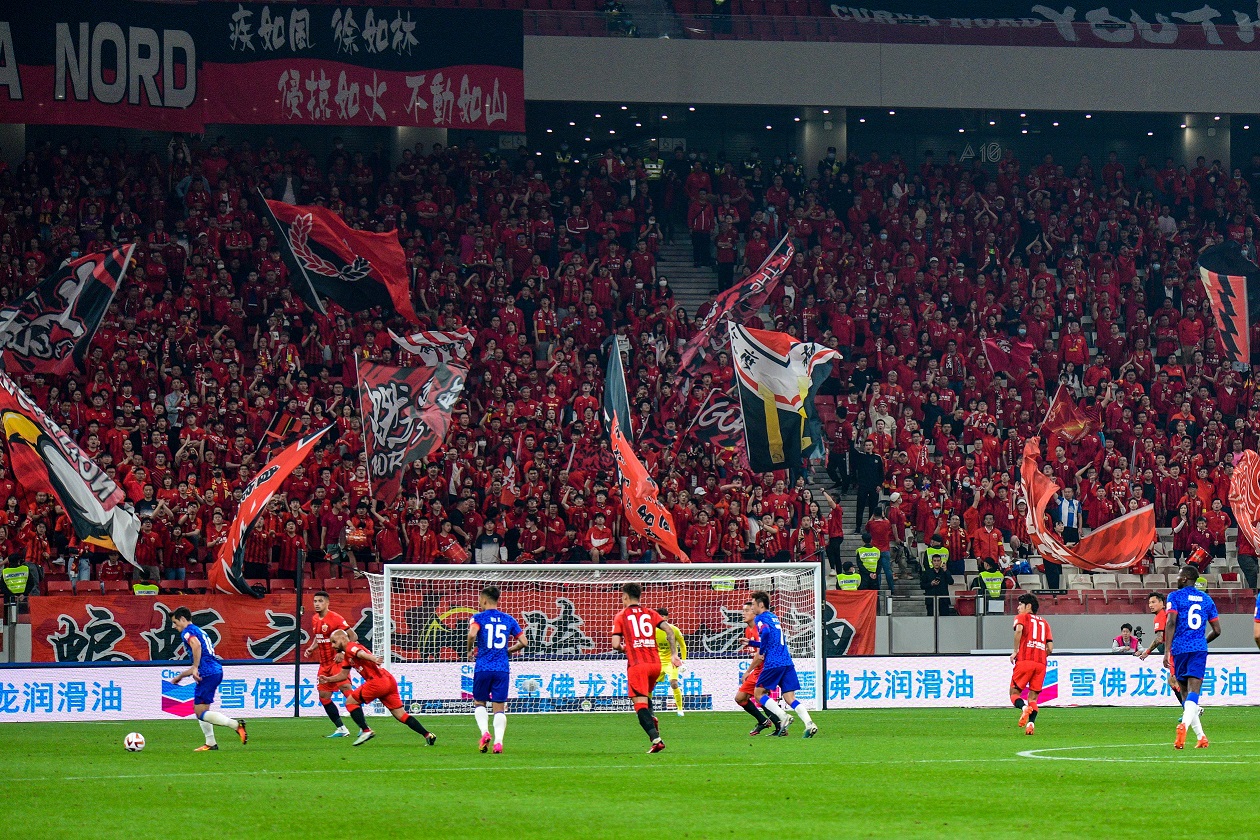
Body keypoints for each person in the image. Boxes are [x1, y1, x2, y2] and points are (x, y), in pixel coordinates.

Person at [326, 629, 437, 747]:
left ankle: (366, 730)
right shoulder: (348, 655)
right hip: (388, 679)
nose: (333, 646)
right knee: (401, 715)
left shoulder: (350, 647)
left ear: (343, 638)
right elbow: (343, 675)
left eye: (334, 642)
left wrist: (373, 658)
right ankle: (428, 735)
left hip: (377, 682)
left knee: (350, 702)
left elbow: (360, 653)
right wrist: (328, 679)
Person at [610, 582, 680, 753]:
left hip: (638, 665)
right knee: (645, 696)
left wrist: (624, 648)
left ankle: (656, 740)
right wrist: (673, 654)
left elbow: (615, 644)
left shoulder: (621, 615)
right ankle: (652, 718)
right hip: (655, 665)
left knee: (638, 705)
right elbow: (670, 631)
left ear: (625, 597)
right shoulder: (651, 613)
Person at [170, 606, 248, 751]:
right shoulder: (199, 630)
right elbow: (203, 655)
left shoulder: (187, 632)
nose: (174, 626)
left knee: (199, 712)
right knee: (203, 710)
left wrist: (194, 667)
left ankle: (236, 725)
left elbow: (196, 645)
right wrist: (181, 676)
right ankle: (211, 743)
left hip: (207, 673)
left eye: (175, 622)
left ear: (182, 619)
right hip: (215, 670)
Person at [1165, 564, 1222, 749]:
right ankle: (1193, 732)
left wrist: (1167, 650)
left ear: (1184, 579)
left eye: (1179, 576)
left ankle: (1196, 734)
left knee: (1184, 693)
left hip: (1179, 649)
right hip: (1198, 649)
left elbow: (1171, 622)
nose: (1177, 579)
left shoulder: (1174, 596)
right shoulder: (1206, 599)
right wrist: (1202, 641)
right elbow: (1217, 630)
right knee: (1194, 693)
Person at [467, 585, 527, 754]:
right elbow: (524, 641)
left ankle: (485, 733)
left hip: (483, 667)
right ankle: (499, 743)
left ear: (484, 600)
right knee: (499, 707)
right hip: (502, 668)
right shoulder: (509, 619)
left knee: (479, 702)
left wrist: (469, 649)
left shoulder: (478, 617)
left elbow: (472, 634)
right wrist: (508, 651)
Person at [750, 590, 818, 738]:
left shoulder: (760, 618)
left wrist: (760, 651)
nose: (752, 608)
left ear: (761, 605)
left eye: (753, 604)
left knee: (758, 693)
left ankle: (783, 716)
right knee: (790, 698)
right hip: (787, 661)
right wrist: (750, 642)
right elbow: (771, 639)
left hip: (773, 662)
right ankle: (809, 723)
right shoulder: (774, 617)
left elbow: (766, 633)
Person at [303, 590, 355, 737]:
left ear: (327, 603)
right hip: (324, 664)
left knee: (346, 688)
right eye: (315, 601)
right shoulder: (314, 619)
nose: (317, 604)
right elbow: (319, 637)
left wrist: (343, 652)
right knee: (324, 696)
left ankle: (363, 727)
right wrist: (312, 648)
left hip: (337, 662)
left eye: (320, 601)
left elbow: (353, 636)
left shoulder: (336, 618)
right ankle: (341, 728)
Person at [1009, 593, 1052, 736]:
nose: (1018, 607)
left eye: (1020, 604)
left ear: (1028, 606)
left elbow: (1019, 630)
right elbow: (1050, 648)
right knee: (1033, 698)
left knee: (1014, 694)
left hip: (1025, 661)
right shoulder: (1044, 623)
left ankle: (1023, 709)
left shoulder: (1022, 617)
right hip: (1041, 664)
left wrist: (1015, 651)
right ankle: (1031, 724)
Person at [733, 599, 772, 736]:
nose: (743, 614)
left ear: (755, 612)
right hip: (760, 669)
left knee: (742, 697)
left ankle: (772, 722)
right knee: (759, 697)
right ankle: (773, 723)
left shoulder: (758, 628)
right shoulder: (748, 630)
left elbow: (760, 655)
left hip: (763, 668)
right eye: (743, 611)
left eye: (747, 610)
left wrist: (747, 671)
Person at [1137, 592, 1182, 703]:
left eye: (1153, 602)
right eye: (1149, 603)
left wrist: (1147, 652)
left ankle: (1191, 710)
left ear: (1162, 603)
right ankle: (1190, 710)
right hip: (1183, 648)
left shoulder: (1160, 616)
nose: (1151, 605)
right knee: (1177, 681)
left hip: (1175, 650)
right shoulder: (1169, 614)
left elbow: (1159, 638)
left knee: (1174, 681)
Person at [654, 606, 688, 716]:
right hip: (657, 662)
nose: (661, 619)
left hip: (670, 661)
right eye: (659, 617)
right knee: (650, 685)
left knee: (673, 683)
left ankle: (680, 709)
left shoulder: (674, 630)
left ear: (667, 618)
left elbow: (682, 645)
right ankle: (646, 709)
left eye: (663, 617)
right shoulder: (652, 631)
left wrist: (683, 661)